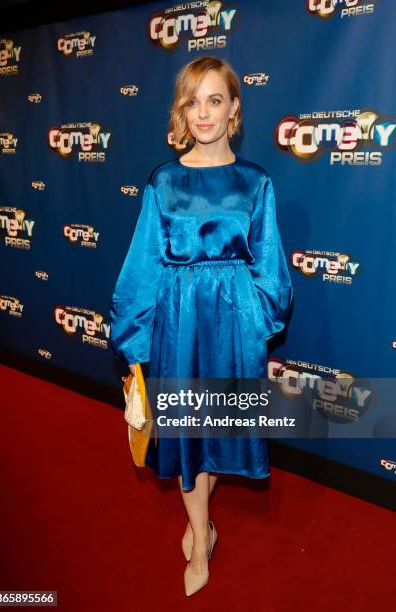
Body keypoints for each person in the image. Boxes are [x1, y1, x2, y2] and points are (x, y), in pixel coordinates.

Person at [109, 55, 293, 596]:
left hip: (231, 330)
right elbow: (142, 265)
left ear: (234, 108)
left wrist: (251, 323)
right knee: (188, 433)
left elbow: (272, 267)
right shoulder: (163, 182)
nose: (203, 113)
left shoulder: (256, 183)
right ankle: (200, 531)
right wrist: (133, 339)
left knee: (213, 428)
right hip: (178, 327)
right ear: (181, 110)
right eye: (193, 101)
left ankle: (203, 524)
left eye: (215, 100)